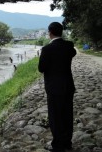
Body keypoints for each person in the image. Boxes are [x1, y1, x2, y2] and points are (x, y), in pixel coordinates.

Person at [38, 22, 76, 152]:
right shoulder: (69, 46)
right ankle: (67, 143)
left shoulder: (47, 49)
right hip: (68, 86)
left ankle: (57, 145)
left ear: (50, 32)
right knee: (67, 115)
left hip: (54, 88)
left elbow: (41, 68)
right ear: (61, 32)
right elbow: (73, 53)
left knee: (55, 117)